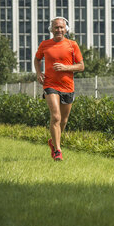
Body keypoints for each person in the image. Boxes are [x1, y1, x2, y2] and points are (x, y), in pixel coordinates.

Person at [34, 17, 84, 161]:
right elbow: (37, 59)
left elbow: (81, 66)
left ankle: (53, 142)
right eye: (56, 27)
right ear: (52, 29)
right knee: (56, 117)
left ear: (65, 29)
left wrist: (66, 67)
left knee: (64, 120)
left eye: (61, 27)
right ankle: (58, 151)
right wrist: (38, 73)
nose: (59, 30)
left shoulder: (72, 45)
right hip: (50, 84)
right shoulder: (45, 44)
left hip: (67, 86)